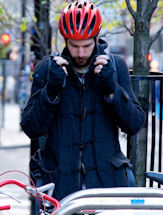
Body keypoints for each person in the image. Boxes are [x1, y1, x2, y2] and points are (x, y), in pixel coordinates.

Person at [20, 1, 145, 201]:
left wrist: (112, 88)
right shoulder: (47, 69)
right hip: (60, 188)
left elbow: (134, 124)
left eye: (86, 46)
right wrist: (51, 90)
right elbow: (31, 128)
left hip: (107, 186)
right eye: (74, 46)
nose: (80, 53)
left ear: (96, 38)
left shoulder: (115, 66)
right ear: (65, 40)